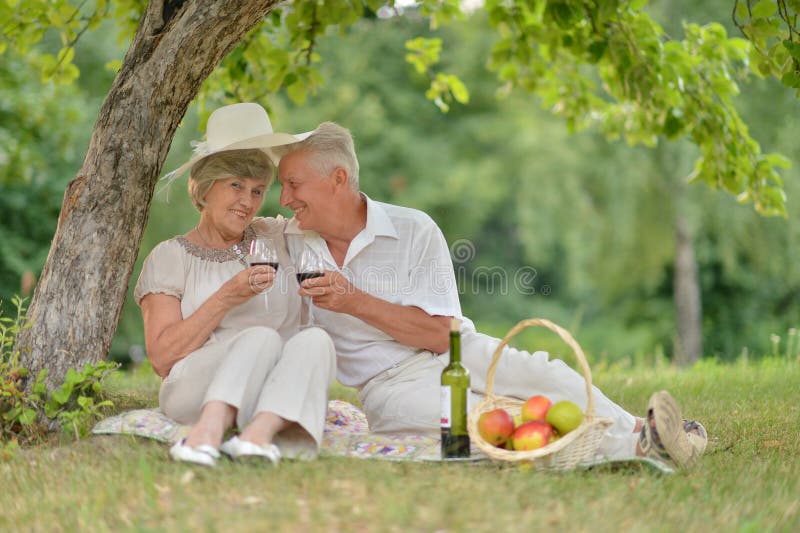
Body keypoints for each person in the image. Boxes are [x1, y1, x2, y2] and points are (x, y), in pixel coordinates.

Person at [275, 122, 707, 470]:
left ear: (338, 179)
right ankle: (640, 448)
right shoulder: (289, 240)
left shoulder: (413, 229)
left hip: (458, 352)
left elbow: (443, 335)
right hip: (391, 386)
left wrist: (353, 300)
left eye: (293, 184)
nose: (284, 198)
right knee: (496, 422)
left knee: (544, 375)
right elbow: (232, 231)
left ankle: (640, 428)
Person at [134, 103, 335, 467]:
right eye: (236, 186)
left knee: (317, 340)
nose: (248, 202)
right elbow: (162, 358)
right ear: (206, 189)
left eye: (258, 191)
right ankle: (205, 435)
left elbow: (329, 215)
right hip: (195, 388)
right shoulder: (170, 257)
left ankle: (255, 438)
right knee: (261, 336)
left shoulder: (276, 236)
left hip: (270, 387)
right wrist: (228, 296)